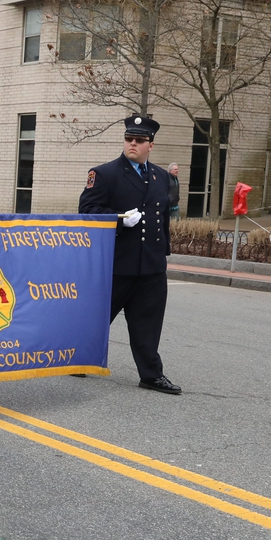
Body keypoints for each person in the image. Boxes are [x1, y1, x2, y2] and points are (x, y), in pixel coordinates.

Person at [79, 115, 180, 395]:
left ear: (151, 145)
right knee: (99, 317)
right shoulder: (105, 173)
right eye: (129, 139)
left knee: (148, 324)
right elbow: (87, 212)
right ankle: (79, 358)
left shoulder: (161, 176)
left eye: (139, 140)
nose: (132, 144)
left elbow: (162, 219)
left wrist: (163, 253)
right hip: (117, 263)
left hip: (150, 265)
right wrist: (118, 219)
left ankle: (151, 374)